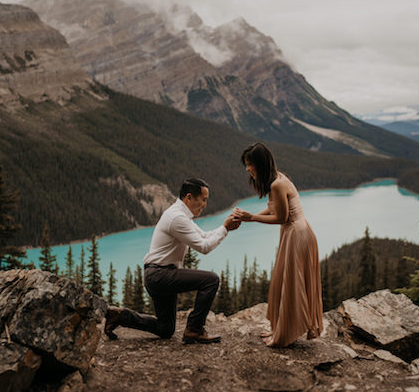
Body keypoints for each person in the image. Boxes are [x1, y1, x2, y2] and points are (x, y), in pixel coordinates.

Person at [104, 178, 241, 343]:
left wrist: (224, 227)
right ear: (189, 197)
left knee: (165, 329)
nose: (205, 204)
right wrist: (225, 229)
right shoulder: (177, 218)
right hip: (160, 275)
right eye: (203, 199)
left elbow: (203, 236)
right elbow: (204, 247)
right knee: (211, 280)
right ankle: (194, 329)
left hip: (157, 275)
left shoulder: (180, 214)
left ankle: (120, 316)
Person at [232, 143, 323, 347]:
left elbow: (281, 217)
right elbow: (272, 208)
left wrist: (252, 217)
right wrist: (248, 217)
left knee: (292, 283)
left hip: (296, 234)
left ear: (260, 164)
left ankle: (283, 335)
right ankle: (280, 328)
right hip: (294, 232)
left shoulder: (277, 184)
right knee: (284, 280)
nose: (247, 169)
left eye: (250, 164)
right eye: (246, 164)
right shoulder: (277, 179)